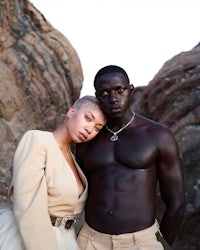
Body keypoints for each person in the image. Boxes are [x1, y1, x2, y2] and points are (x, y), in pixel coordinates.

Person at [76, 65, 185, 250]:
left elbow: (176, 202)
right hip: (91, 241)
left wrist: (163, 246)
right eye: (104, 93)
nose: (113, 99)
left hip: (141, 242)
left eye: (120, 90)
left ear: (131, 90)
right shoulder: (87, 138)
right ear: (97, 96)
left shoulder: (157, 135)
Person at [0, 95, 106, 250]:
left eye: (97, 128)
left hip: (66, 240)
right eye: (88, 118)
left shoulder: (75, 161)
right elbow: (28, 205)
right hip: (33, 239)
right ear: (71, 112)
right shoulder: (39, 140)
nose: (89, 129)